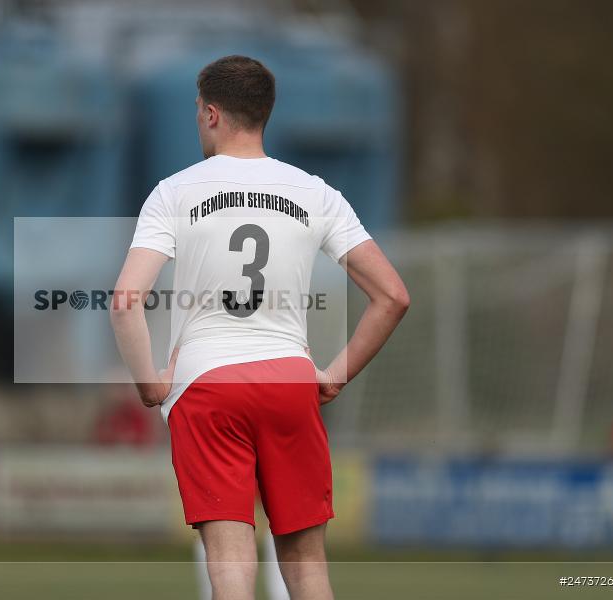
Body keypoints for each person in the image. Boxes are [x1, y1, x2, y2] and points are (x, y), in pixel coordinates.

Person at [110, 55, 409, 600]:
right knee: (305, 560)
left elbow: (126, 299)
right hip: (290, 380)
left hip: (206, 383)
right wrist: (336, 374)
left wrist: (149, 383)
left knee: (228, 557)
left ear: (210, 113)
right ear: (265, 115)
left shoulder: (174, 192)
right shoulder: (315, 192)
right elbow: (392, 296)